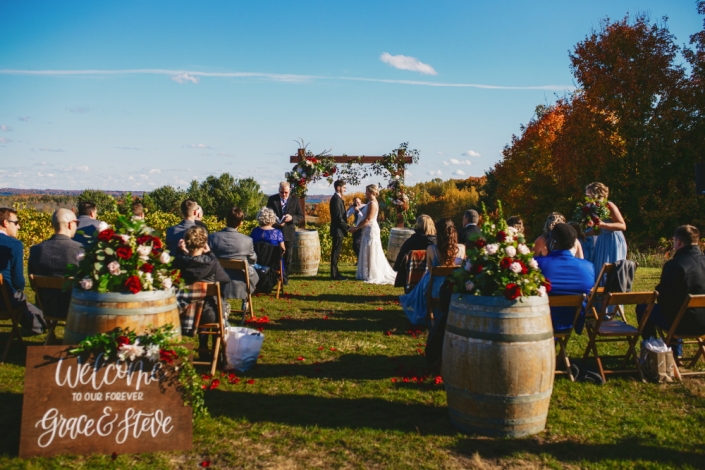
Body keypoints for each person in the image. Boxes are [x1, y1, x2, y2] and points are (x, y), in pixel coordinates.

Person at [637, 225, 705, 356]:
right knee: (677, 308)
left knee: (644, 308)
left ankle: (653, 350)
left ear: (678, 241)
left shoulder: (675, 265)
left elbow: (663, 298)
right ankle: (675, 352)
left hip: (683, 324)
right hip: (703, 323)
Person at [172, 226, 231, 357]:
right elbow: (225, 278)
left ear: (186, 242)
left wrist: (180, 252)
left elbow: (187, 263)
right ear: (204, 244)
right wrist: (210, 254)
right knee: (211, 304)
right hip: (208, 313)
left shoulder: (179, 261)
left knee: (204, 303)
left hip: (182, 312)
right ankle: (208, 348)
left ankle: (203, 346)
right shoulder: (212, 263)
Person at [400, 218, 465, 325]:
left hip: (435, 289)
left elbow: (430, 270)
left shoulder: (431, 249)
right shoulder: (462, 248)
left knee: (426, 279)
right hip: (454, 287)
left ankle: (417, 304)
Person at [535, 224, 595, 334]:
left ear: (553, 241)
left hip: (541, 321)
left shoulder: (538, 264)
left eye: (548, 238)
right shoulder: (588, 267)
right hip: (571, 322)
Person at [28, 209, 84, 319]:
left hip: (45, 307)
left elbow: (32, 284)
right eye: (77, 223)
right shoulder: (80, 249)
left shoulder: (36, 250)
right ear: (70, 224)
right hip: (75, 307)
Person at [0, 207, 45, 334]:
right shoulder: (13, 244)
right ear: (5, 223)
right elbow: (18, 281)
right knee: (22, 302)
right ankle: (40, 325)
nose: (18, 227)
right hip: (4, 299)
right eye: (16, 223)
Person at [209, 207, 259, 306]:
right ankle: (246, 300)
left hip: (219, 277)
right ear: (240, 223)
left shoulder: (213, 237)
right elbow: (253, 259)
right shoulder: (247, 240)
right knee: (253, 272)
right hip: (241, 278)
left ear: (226, 220)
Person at [350, 184, 397, 285]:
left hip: (371, 229)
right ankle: (367, 272)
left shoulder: (372, 203)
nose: (365, 193)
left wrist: (356, 228)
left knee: (371, 249)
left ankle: (372, 273)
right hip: (368, 229)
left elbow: (368, 219)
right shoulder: (371, 202)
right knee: (368, 249)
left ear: (371, 192)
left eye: (366, 191)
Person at [586, 182, 627, 279]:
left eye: (589, 195)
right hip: (601, 240)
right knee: (599, 268)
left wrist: (604, 224)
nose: (587, 198)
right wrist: (584, 234)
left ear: (596, 193)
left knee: (611, 270)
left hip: (613, 240)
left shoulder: (609, 205)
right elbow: (597, 230)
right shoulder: (592, 208)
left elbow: (622, 225)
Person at [267, 182, 304, 284]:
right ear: (278, 190)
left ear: (289, 191)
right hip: (275, 232)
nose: (284, 195)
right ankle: (274, 276)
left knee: (288, 257)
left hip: (288, 232)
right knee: (274, 255)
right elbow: (268, 214)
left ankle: (285, 277)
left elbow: (300, 216)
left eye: (286, 192)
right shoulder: (272, 199)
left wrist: (292, 218)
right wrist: (275, 221)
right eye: (281, 192)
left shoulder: (294, 200)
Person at [393, 214, 437, 288]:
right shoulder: (437, 241)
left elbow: (402, 252)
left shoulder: (413, 240)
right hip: (431, 273)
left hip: (412, 273)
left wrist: (396, 267)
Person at [329, 180, 349, 280]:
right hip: (338, 230)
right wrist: (348, 228)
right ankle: (334, 274)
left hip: (339, 230)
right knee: (335, 252)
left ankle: (336, 273)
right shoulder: (336, 199)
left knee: (336, 252)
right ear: (338, 188)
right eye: (344, 187)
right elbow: (338, 218)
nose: (345, 189)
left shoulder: (338, 198)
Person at [346, 197, 365, 262]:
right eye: (355, 202)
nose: (357, 203)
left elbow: (364, 219)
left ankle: (361, 261)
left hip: (362, 228)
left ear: (361, 201)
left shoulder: (365, 207)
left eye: (358, 202)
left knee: (357, 243)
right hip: (356, 228)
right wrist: (349, 208)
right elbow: (346, 216)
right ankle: (359, 260)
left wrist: (358, 211)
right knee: (354, 246)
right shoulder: (354, 208)